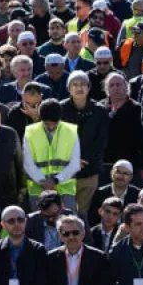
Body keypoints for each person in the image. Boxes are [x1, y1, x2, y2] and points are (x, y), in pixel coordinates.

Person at [60, 70, 110, 214]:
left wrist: (83, 160)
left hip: (90, 170)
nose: (79, 87)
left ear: (89, 87)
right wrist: (73, 160)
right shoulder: (61, 109)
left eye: (83, 84)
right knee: (66, 212)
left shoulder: (100, 110)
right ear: (69, 88)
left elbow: (101, 141)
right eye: (75, 84)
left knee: (83, 213)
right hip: (65, 170)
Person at [45, 214, 112, 285]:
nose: (71, 237)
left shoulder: (98, 257)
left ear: (83, 233)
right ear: (60, 236)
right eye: (66, 234)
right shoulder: (51, 258)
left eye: (75, 232)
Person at [87, 160, 140, 228]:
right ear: (111, 173)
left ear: (131, 177)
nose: (120, 176)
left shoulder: (137, 194)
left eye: (125, 173)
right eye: (117, 172)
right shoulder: (100, 193)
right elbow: (92, 219)